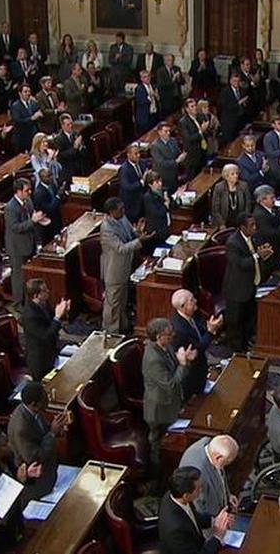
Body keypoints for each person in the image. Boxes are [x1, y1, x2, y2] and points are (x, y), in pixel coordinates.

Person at [143, 317, 193, 483]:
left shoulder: (165, 346)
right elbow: (171, 384)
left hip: (171, 402)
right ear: (158, 336)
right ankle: (156, 481)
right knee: (158, 445)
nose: (173, 336)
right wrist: (183, 364)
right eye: (169, 334)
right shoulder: (153, 359)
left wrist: (186, 361)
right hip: (159, 408)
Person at [7, 381, 68, 499]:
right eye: (45, 400)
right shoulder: (21, 428)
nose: (48, 401)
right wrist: (52, 433)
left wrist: (57, 430)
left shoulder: (33, 410)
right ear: (34, 404)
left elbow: (43, 431)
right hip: (39, 481)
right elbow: (36, 457)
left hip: (51, 467)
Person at [101, 197, 149, 334]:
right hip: (114, 270)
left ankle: (122, 326)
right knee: (113, 304)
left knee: (122, 300)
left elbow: (131, 233)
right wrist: (139, 240)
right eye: (120, 209)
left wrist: (138, 231)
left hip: (125, 267)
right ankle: (111, 332)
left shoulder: (122, 218)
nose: (123, 211)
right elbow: (121, 248)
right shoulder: (106, 228)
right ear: (111, 212)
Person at [224, 214, 272, 352]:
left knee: (248, 318)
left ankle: (246, 344)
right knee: (236, 323)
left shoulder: (254, 237)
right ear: (242, 227)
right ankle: (236, 352)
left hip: (251, 285)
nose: (255, 227)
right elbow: (240, 264)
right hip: (237, 289)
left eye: (255, 224)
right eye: (252, 225)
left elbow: (258, 255)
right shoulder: (233, 243)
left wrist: (265, 253)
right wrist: (258, 255)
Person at [158, 466, 233, 554]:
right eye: (198, 489)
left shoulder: (176, 495)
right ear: (186, 495)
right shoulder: (175, 529)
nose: (201, 490)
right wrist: (217, 536)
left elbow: (192, 517)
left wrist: (215, 520)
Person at [170, 289, 222, 402]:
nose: (196, 301)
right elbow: (196, 350)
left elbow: (200, 332)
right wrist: (211, 331)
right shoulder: (179, 330)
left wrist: (210, 328)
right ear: (183, 306)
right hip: (191, 375)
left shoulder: (191, 315)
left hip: (200, 369)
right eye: (192, 300)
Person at [4, 178, 47, 306]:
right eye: (27, 190)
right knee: (18, 277)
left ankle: (30, 300)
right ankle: (18, 304)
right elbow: (15, 227)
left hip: (30, 243)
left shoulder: (28, 201)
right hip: (17, 247)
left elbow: (31, 217)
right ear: (18, 191)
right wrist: (33, 221)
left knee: (29, 274)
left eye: (30, 190)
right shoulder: (10, 208)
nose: (30, 192)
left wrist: (40, 220)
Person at [177, 434, 239, 518]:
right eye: (227, 462)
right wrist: (219, 519)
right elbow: (200, 508)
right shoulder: (198, 474)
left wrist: (228, 496)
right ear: (218, 457)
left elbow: (220, 474)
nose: (227, 465)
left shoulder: (210, 445)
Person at [21, 278, 68, 381]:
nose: (48, 292)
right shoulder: (30, 315)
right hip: (39, 360)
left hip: (51, 352)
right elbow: (47, 336)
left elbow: (52, 323)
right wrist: (57, 317)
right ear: (36, 295)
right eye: (44, 290)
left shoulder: (44, 304)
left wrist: (62, 313)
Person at [252, 185, 280, 271]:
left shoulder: (272, 209)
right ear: (262, 200)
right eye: (271, 198)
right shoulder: (259, 215)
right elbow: (273, 235)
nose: (274, 200)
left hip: (278, 252)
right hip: (270, 257)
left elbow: (279, 219)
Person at [210, 164, 251, 229]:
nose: (236, 176)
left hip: (240, 222)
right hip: (224, 221)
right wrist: (221, 224)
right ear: (226, 176)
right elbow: (215, 209)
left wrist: (244, 221)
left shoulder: (244, 186)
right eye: (233, 174)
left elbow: (248, 206)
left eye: (237, 173)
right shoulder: (219, 187)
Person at [142, 172, 172, 256]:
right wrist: (166, 205)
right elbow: (157, 213)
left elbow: (172, 205)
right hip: (156, 231)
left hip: (165, 227)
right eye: (157, 182)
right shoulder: (148, 197)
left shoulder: (163, 192)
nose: (160, 184)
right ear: (150, 184)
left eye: (160, 181)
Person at [9, 84, 43, 154]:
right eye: (25, 91)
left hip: (33, 134)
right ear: (20, 93)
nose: (28, 93)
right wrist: (32, 118)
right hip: (22, 137)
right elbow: (18, 121)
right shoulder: (16, 106)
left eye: (29, 91)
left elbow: (39, 114)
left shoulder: (34, 103)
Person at [32, 167, 63, 242]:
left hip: (57, 219)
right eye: (48, 176)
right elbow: (49, 209)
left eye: (51, 175)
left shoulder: (52, 185)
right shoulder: (39, 193)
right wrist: (58, 196)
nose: (51, 178)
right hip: (48, 224)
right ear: (41, 178)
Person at [52, 115, 85, 186]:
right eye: (68, 125)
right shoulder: (58, 139)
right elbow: (62, 156)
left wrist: (81, 147)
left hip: (79, 168)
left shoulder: (75, 134)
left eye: (71, 123)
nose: (70, 126)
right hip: (68, 171)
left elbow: (82, 151)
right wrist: (75, 147)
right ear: (62, 126)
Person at [217, 74, 248, 146]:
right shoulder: (225, 91)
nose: (236, 83)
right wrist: (239, 103)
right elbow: (226, 106)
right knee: (229, 143)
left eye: (238, 81)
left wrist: (244, 103)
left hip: (239, 121)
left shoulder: (242, 90)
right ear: (230, 81)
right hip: (229, 121)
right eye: (234, 81)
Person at [135, 70, 161, 135]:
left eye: (148, 76)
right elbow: (141, 102)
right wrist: (150, 96)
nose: (148, 78)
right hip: (145, 117)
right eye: (145, 77)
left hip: (154, 115)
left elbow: (157, 99)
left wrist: (157, 96)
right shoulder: (139, 89)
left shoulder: (153, 86)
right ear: (141, 79)